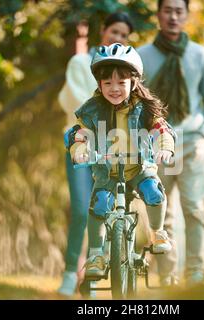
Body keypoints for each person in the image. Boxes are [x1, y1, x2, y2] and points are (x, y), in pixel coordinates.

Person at [67, 43, 175, 277]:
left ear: (133, 82)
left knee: (154, 190)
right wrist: (79, 148)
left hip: (138, 167)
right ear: (99, 84)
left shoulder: (144, 108)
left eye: (121, 83)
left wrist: (164, 147)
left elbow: (162, 129)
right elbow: (79, 131)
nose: (114, 89)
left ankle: (157, 232)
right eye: (107, 83)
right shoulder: (92, 109)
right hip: (107, 171)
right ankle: (96, 254)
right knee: (99, 203)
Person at [138, 0, 204, 286]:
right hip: (157, 145)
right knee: (162, 212)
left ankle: (196, 275)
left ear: (186, 15)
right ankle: (168, 276)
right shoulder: (141, 56)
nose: (173, 17)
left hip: (191, 145)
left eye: (179, 11)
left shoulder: (201, 56)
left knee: (195, 209)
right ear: (159, 14)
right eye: (167, 10)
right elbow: (137, 102)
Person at [57, 12, 134, 297]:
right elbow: (83, 106)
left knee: (102, 211)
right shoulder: (80, 63)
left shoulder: (126, 72)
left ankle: (90, 276)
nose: (118, 38)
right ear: (103, 30)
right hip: (82, 147)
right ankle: (68, 274)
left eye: (124, 36)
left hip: (113, 150)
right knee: (80, 209)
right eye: (114, 31)